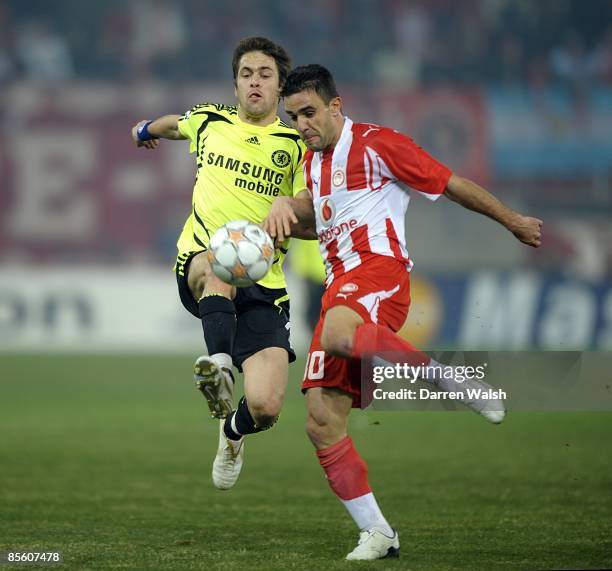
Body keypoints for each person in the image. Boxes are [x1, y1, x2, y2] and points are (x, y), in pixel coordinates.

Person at [263, 64, 543, 561]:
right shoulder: (311, 164)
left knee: (336, 333)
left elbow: (450, 183)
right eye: (293, 116)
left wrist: (513, 220)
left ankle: (450, 377)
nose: (301, 124)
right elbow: (321, 222)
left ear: (335, 106)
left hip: (379, 273)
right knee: (321, 421)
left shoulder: (378, 143)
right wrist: (286, 213)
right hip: (339, 284)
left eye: (309, 112)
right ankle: (379, 533)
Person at [130, 37, 313, 491]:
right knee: (221, 262)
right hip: (203, 258)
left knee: (268, 406)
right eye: (246, 74)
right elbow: (178, 125)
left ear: (280, 86)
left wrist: (290, 207)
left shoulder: (296, 146)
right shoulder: (211, 120)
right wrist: (146, 129)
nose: (254, 81)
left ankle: (231, 431)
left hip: (265, 281)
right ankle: (218, 367)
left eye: (265, 74)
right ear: (235, 85)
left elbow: (312, 211)